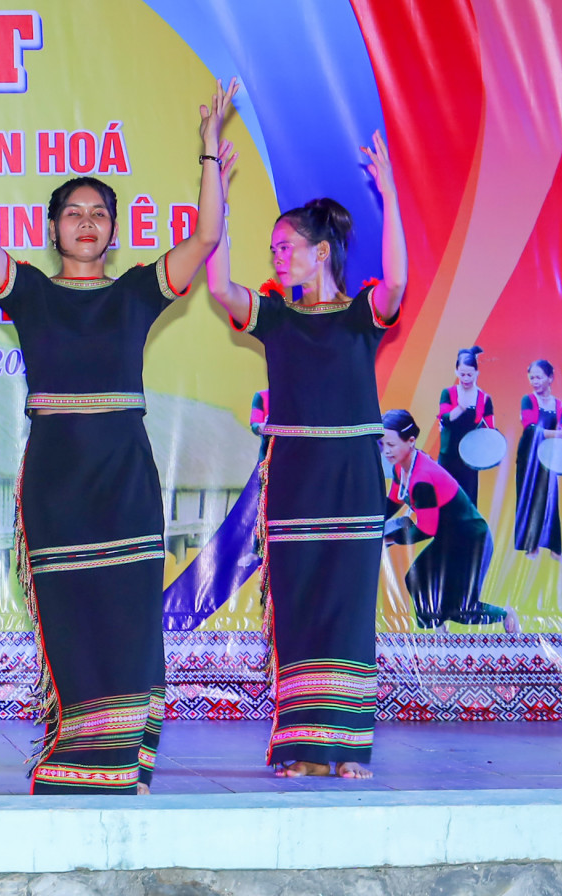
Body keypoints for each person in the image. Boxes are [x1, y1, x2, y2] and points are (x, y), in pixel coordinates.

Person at [0, 77, 238, 795]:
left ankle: (126, 755)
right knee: (69, 616)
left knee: (128, 612)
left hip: (124, 474)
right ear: (55, 227)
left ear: (114, 230)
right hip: (57, 478)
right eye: (74, 212)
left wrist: (210, 155)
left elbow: (207, 237)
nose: (88, 222)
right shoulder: (30, 291)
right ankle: (79, 753)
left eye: (100, 213)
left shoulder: (135, 291)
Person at [204, 131, 407, 780]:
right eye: (272, 250)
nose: (279, 258)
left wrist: (391, 192)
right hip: (293, 483)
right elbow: (218, 287)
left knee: (346, 610)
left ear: (322, 253)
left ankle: (346, 748)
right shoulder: (275, 318)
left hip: (350, 481)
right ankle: (299, 746)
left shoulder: (359, 316)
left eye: (286, 248)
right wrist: (222, 201)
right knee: (297, 610)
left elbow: (399, 280)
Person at [380, 410, 518, 634]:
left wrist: (390, 538)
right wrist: (370, 525)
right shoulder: (400, 468)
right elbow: (393, 501)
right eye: (383, 444)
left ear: (411, 441)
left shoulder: (422, 479)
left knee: (462, 610)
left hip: (471, 541)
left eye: (391, 445)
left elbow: (426, 529)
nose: (386, 451)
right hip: (449, 539)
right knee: (417, 581)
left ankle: (506, 615)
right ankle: (438, 636)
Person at [514, 359, 562, 562]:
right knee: (529, 498)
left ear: (550, 378)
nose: (535, 381)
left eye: (539, 377)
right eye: (532, 377)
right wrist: (558, 435)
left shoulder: (560, 406)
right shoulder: (528, 400)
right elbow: (530, 429)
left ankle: (555, 550)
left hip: (549, 458)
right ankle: (530, 548)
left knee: (550, 500)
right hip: (528, 457)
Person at [436, 347, 497, 503]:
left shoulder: (484, 398)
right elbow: (445, 418)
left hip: (469, 460)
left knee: (468, 502)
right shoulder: (448, 393)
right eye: (462, 374)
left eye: (470, 374)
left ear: (477, 373)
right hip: (448, 457)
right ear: (456, 371)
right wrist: (461, 408)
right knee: (444, 501)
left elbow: (489, 429)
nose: (466, 378)